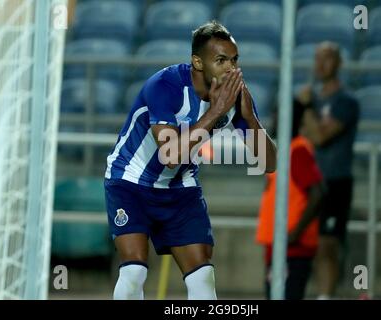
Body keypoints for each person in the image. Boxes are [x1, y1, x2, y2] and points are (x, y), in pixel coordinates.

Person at [103, 21, 277, 300]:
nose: (230, 68)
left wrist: (252, 120)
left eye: (234, 60)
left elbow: (269, 163)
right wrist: (215, 112)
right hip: (130, 181)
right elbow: (169, 155)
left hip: (180, 186)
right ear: (197, 62)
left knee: (203, 275)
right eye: (220, 60)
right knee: (134, 271)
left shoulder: (235, 96)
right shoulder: (165, 85)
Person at [298, 41, 359, 299]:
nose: (320, 64)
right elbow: (305, 134)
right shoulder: (313, 99)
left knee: (328, 243)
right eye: (317, 58)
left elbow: (321, 137)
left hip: (335, 181)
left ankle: (326, 296)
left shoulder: (346, 101)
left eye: (327, 58)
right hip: (311, 183)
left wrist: (308, 110)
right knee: (305, 243)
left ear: (339, 63)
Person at [256, 99, 324, 300]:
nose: (274, 121)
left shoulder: (298, 152)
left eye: (278, 115)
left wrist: (295, 233)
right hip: (279, 246)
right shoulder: (285, 152)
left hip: (292, 250)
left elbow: (318, 194)